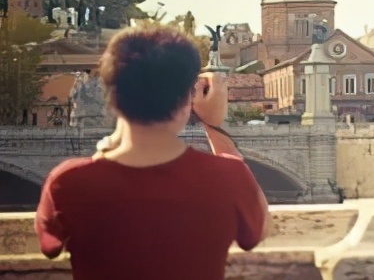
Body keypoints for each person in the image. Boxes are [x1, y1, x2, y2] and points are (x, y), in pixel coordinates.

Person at [34, 26, 269, 280]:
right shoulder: (228, 177)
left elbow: (50, 245)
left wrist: (105, 151)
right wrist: (214, 125)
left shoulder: (67, 181)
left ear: (111, 97)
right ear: (186, 101)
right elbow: (259, 231)